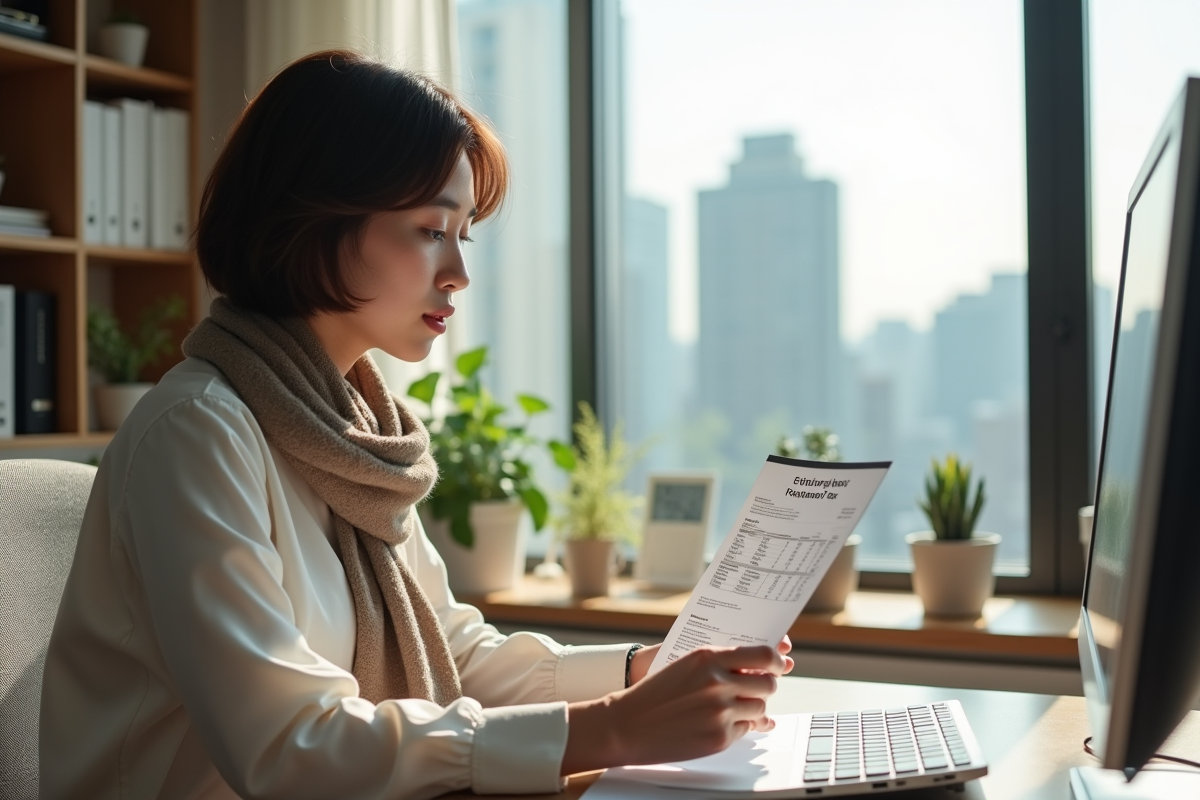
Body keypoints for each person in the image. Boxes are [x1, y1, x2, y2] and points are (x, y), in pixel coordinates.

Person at [39, 50, 792, 800]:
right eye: (433, 229)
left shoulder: (354, 431)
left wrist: (639, 674)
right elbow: (286, 747)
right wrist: (611, 729)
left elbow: (449, 651)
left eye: (465, 233)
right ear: (315, 218)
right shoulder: (197, 433)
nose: (459, 271)